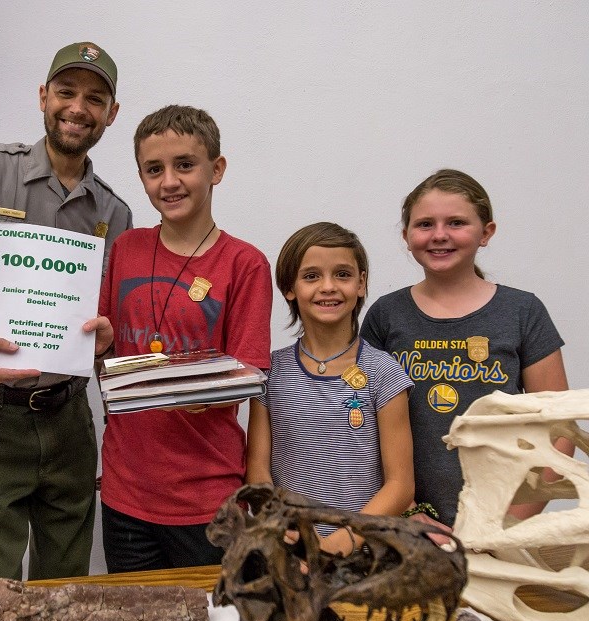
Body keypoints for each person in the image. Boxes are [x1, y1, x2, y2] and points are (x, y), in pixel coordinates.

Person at [0, 42, 130, 582]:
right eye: (66, 92)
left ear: (112, 112)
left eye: (95, 98)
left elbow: (107, 322)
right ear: (43, 97)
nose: (78, 108)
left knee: (66, 587)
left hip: (68, 421)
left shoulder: (115, 212)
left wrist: (105, 340)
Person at [98, 105, 272, 572]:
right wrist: (92, 343)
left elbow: (250, 372)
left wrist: (192, 387)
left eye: (185, 165)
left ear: (216, 170)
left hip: (208, 495)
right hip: (124, 490)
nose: (169, 181)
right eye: (154, 170)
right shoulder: (125, 248)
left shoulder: (245, 263)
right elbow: (106, 346)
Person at [361, 168, 572, 534]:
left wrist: (507, 525)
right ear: (406, 236)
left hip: (500, 527)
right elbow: (362, 429)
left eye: (456, 222)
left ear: (486, 232)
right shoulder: (385, 315)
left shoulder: (523, 312)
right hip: (407, 529)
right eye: (425, 224)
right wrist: (408, 513)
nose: (439, 235)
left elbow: (560, 431)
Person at [246, 222, 414, 557]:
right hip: (291, 549)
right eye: (311, 276)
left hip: (365, 551)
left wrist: (345, 540)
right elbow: (258, 468)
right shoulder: (268, 372)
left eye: (342, 274)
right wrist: (277, 523)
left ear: (361, 283)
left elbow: (401, 484)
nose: (328, 287)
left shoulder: (384, 373)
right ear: (288, 288)